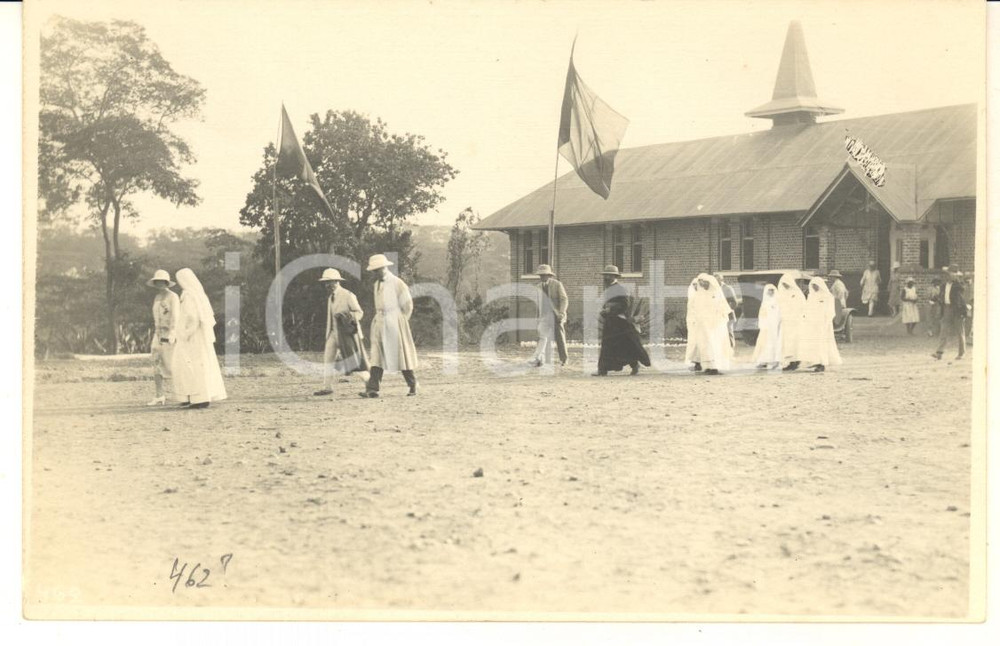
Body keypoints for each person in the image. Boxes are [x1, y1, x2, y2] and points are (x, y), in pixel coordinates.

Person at [360, 254, 418, 398]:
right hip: (380, 320)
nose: (376, 272)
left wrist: (402, 321)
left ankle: (412, 385)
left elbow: (408, 305)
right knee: (377, 355)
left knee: (401, 354)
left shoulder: (397, 283)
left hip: (395, 320)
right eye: (374, 270)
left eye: (378, 269)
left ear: (385, 267)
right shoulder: (376, 284)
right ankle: (372, 388)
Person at [172, 268, 227, 409]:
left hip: (192, 337)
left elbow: (193, 317)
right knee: (192, 365)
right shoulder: (194, 295)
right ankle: (194, 396)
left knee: (193, 365)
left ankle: (200, 398)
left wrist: (185, 333)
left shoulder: (190, 296)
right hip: (195, 336)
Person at [314, 268, 369, 396]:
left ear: (338, 281)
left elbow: (359, 312)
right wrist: (328, 334)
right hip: (333, 334)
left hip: (347, 334)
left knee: (354, 362)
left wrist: (346, 315)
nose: (328, 285)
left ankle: (370, 385)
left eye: (331, 282)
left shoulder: (348, 295)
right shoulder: (330, 298)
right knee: (328, 359)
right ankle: (327, 387)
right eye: (326, 283)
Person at [593, 265, 650, 376]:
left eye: (609, 275)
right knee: (610, 347)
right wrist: (604, 311)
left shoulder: (620, 289)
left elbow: (625, 304)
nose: (606, 277)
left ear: (615, 276)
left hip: (619, 323)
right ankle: (603, 369)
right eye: (605, 275)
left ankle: (633, 365)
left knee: (626, 345)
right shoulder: (608, 289)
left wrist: (611, 309)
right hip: (610, 323)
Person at [146, 269, 180, 406]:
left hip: (169, 333)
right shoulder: (157, 297)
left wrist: (172, 332)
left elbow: (176, 316)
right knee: (156, 362)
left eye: (161, 281)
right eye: (157, 282)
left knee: (171, 363)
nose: (159, 284)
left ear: (166, 282)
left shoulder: (173, 297)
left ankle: (182, 394)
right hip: (158, 333)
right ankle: (159, 395)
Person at [689, 274, 732, 376]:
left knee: (715, 345)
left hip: (715, 325)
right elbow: (694, 308)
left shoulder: (716, 293)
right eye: (701, 283)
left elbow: (723, 308)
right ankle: (707, 367)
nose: (703, 285)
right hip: (703, 325)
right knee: (705, 346)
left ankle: (715, 367)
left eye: (705, 282)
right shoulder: (699, 294)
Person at [799, 276, 842, 372]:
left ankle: (822, 363)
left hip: (823, 325)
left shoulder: (828, 297)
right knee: (813, 344)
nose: (814, 287)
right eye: (813, 285)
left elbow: (831, 311)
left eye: (816, 285)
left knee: (822, 344)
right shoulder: (811, 296)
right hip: (812, 325)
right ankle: (815, 361)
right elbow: (807, 309)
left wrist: (826, 322)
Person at [529, 264, 568, 367]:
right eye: (540, 275)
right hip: (544, 316)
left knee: (559, 338)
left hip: (556, 315)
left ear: (549, 275)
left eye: (544, 275)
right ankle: (539, 359)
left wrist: (561, 313)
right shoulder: (538, 287)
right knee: (542, 337)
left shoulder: (557, 284)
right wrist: (537, 319)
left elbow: (564, 299)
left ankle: (564, 359)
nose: (542, 277)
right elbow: (538, 304)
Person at [931, 267, 967, 360]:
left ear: (955, 275)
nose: (948, 276)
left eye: (951, 274)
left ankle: (961, 353)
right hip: (946, 309)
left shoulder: (958, 286)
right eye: (947, 274)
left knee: (960, 331)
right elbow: (941, 296)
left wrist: (964, 312)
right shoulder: (943, 286)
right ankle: (939, 352)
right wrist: (936, 299)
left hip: (957, 310)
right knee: (943, 330)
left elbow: (962, 298)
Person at [776, 273, 805, 371]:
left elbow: (802, 307)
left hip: (796, 322)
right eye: (783, 284)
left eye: (786, 283)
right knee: (788, 343)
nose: (785, 286)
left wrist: (797, 316)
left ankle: (796, 361)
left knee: (795, 343)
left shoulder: (797, 293)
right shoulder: (782, 294)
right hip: (786, 323)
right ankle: (790, 362)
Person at [752, 283, 782, 370]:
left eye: (772, 290)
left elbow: (779, 314)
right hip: (766, 327)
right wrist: (762, 324)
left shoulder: (777, 301)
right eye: (769, 290)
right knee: (763, 343)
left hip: (774, 326)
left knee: (773, 343)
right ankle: (763, 361)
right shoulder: (764, 302)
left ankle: (775, 362)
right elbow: (761, 314)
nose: (771, 292)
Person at [683, 278, 703, 371]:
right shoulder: (692, 297)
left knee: (700, 343)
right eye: (693, 284)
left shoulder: (702, 296)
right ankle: (696, 363)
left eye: (697, 284)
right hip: (693, 323)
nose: (695, 286)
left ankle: (700, 363)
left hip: (701, 323)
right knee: (694, 343)